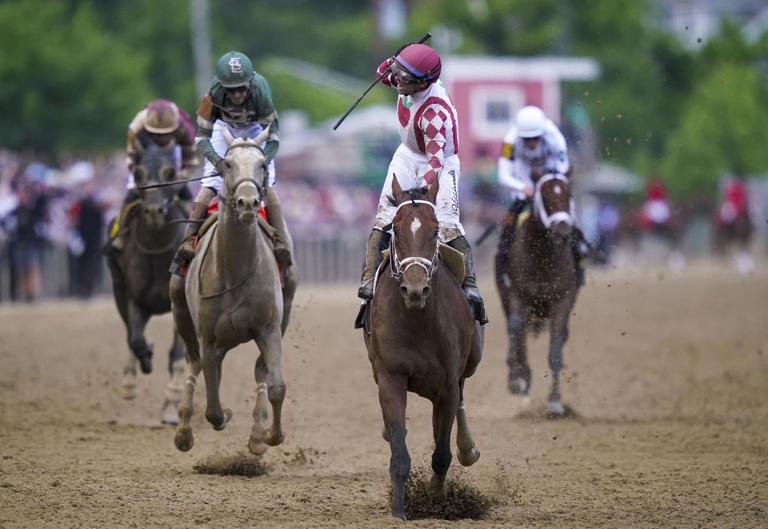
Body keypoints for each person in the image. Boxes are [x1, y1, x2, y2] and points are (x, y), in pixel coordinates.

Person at [357, 43, 486, 322]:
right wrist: (396, 61)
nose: (397, 81)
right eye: (400, 75)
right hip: (407, 155)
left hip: (440, 160)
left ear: (422, 82)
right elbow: (382, 72)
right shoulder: (408, 81)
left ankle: (471, 284)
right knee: (384, 216)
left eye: (404, 78)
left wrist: (423, 192)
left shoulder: (433, 113)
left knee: (448, 222)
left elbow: (435, 163)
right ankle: (369, 278)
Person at [169, 50, 293, 278]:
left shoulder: (261, 90)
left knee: (269, 189)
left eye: (241, 88)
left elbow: (274, 138)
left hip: (256, 129)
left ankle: (281, 246)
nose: (236, 94)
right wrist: (218, 162)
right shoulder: (212, 94)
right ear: (221, 86)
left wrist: (262, 162)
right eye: (231, 90)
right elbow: (201, 138)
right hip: (222, 129)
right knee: (208, 186)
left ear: (250, 83)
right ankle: (187, 243)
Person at [495, 105, 586, 284]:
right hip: (524, 177)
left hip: (550, 174)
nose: (531, 143)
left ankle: (579, 255)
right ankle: (503, 263)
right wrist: (523, 188)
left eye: (536, 138)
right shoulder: (510, 142)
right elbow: (503, 175)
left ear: (543, 133)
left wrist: (547, 185)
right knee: (510, 220)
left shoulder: (556, 139)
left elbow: (562, 171)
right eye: (527, 139)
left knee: (567, 210)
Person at [110, 99, 198, 251]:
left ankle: (194, 237)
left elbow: (190, 161)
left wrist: (180, 179)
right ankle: (122, 234)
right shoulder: (136, 129)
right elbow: (131, 157)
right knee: (131, 195)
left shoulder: (185, 129)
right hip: (144, 157)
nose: (161, 139)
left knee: (187, 197)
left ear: (174, 129)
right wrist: (139, 178)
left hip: (173, 156)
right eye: (156, 134)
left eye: (165, 134)